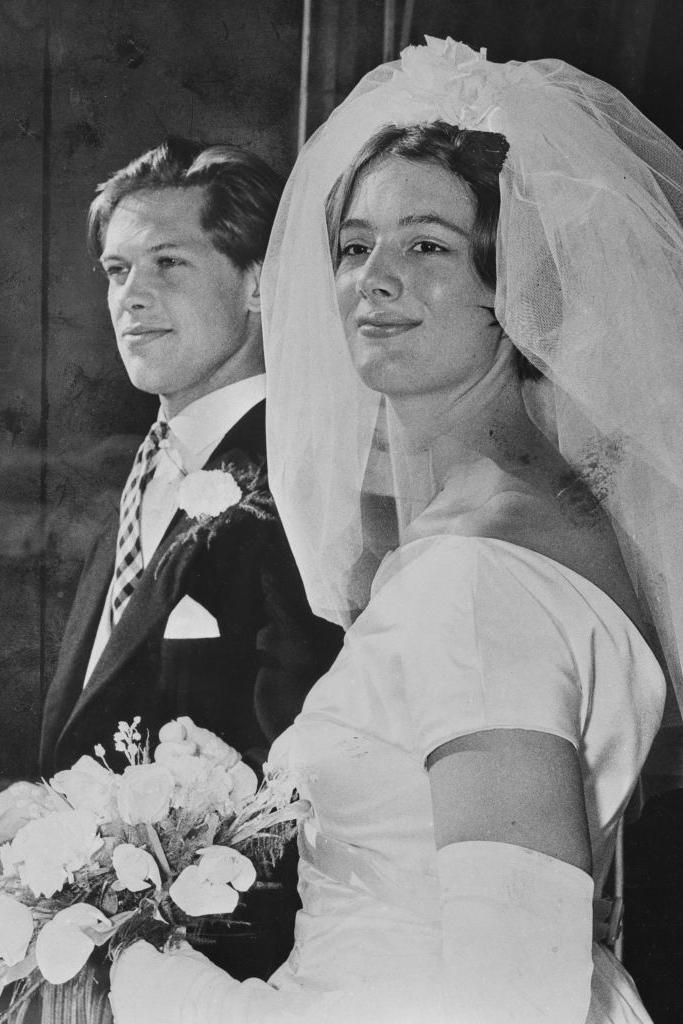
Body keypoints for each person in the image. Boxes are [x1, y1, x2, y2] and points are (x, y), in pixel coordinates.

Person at [109, 39, 683, 1022]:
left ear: (515, 284)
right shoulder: (513, 521)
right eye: (354, 244)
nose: (372, 281)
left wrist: (151, 987)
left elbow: (517, 998)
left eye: (425, 245)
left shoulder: (478, 582)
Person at [1, 137, 341, 979]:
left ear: (259, 282)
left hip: (226, 965)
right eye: (117, 271)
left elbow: (304, 773)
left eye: (168, 263)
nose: (132, 297)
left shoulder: (296, 474)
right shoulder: (146, 469)